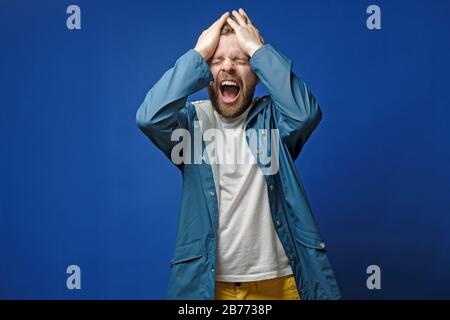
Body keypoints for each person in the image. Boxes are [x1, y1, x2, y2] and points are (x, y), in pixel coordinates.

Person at [136, 9, 341, 300]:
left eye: (241, 60)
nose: (228, 67)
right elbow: (149, 118)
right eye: (217, 60)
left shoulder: (274, 120)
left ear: (257, 74)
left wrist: (258, 50)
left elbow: (305, 114)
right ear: (205, 74)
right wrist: (198, 52)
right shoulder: (189, 125)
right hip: (209, 284)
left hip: (281, 280)